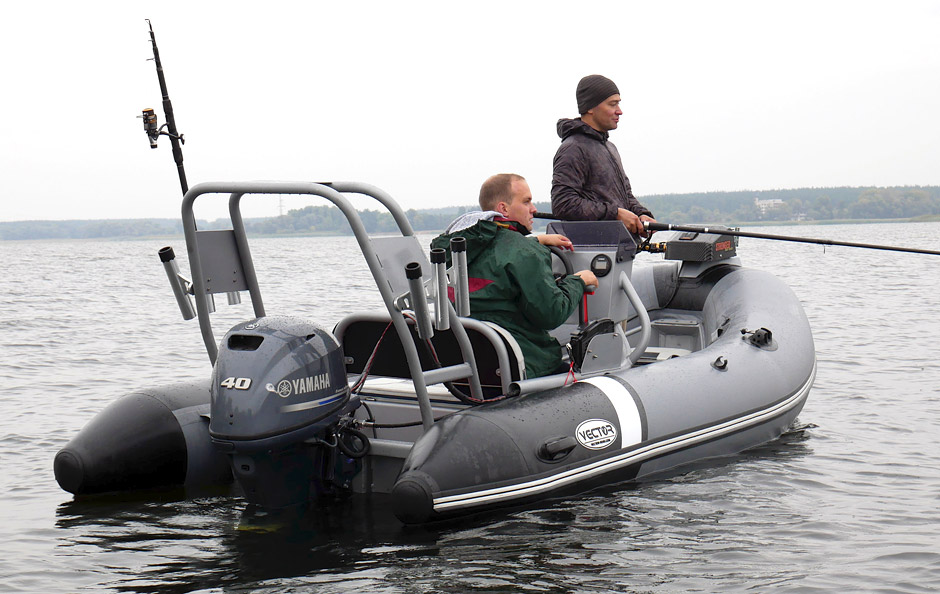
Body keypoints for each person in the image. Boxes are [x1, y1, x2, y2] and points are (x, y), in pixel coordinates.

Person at [431, 174, 598, 378]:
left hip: (465, 371)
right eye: (526, 202)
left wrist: (536, 240)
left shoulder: (453, 252)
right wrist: (578, 281)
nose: (533, 209)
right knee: (591, 377)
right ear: (503, 208)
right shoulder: (525, 253)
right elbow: (551, 314)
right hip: (522, 366)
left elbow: (494, 250)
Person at [551, 74, 656, 236]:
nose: (619, 111)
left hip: (620, 246)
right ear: (590, 108)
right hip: (593, 248)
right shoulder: (573, 148)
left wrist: (641, 214)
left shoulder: (610, 147)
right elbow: (563, 204)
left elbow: (625, 196)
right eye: (612, 104)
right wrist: (615, 214)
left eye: (618, 104)